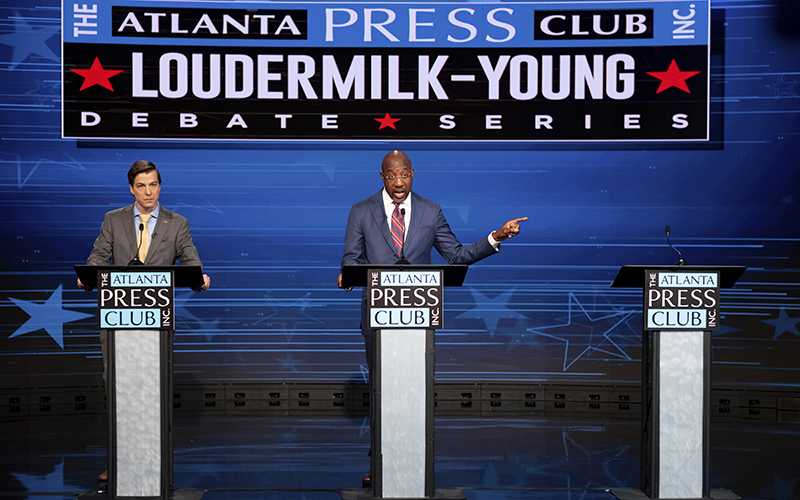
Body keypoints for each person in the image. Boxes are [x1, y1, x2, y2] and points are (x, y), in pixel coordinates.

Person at [337, 150, 526, 485]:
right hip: (378, 317)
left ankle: (414, 460)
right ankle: (379, 464)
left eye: (404, 174)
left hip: (418, 317)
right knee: (381, 391)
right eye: (392, 175)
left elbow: (455, 255)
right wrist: (349, 278)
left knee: (412, 391)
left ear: (413, 174)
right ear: (382, 176)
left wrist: (495, 237)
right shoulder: (360, 211)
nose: (399, 182)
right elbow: (352, 261)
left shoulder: (430, 210)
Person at [78, 160, 210, 482]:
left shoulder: (177, 223)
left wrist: (199, 279)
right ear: (131, 189)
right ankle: (121, 461)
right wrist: (90, 276)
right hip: (119, 320)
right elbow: (98, 257)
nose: (148, 192)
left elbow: (190, 261)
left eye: (153, 185)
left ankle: (156, 461)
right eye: (141, 186)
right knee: (119, 387)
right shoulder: (114, 220)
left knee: (155, 389)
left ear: (160, 186)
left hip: (157, 323)